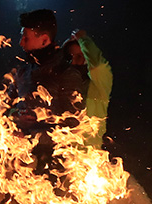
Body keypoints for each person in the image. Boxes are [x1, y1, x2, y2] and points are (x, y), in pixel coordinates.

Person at [7, 9, 87, 176]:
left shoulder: (66, 74)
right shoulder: (22, 73)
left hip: (50, 169)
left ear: (44, 40)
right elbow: (3, 106)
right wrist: (15, 118)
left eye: (26, 38)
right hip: (14, 156)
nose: (21, 43)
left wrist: (33, 132)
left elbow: (74, 122)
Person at [65, 30, 111, 148]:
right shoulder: (59, 87)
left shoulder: (98, 87)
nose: (73, 61)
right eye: (70, 57)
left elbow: (99, 66)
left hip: (88, 154)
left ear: (87, 59)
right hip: (61, 153)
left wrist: (82, 39)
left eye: (79, 57)